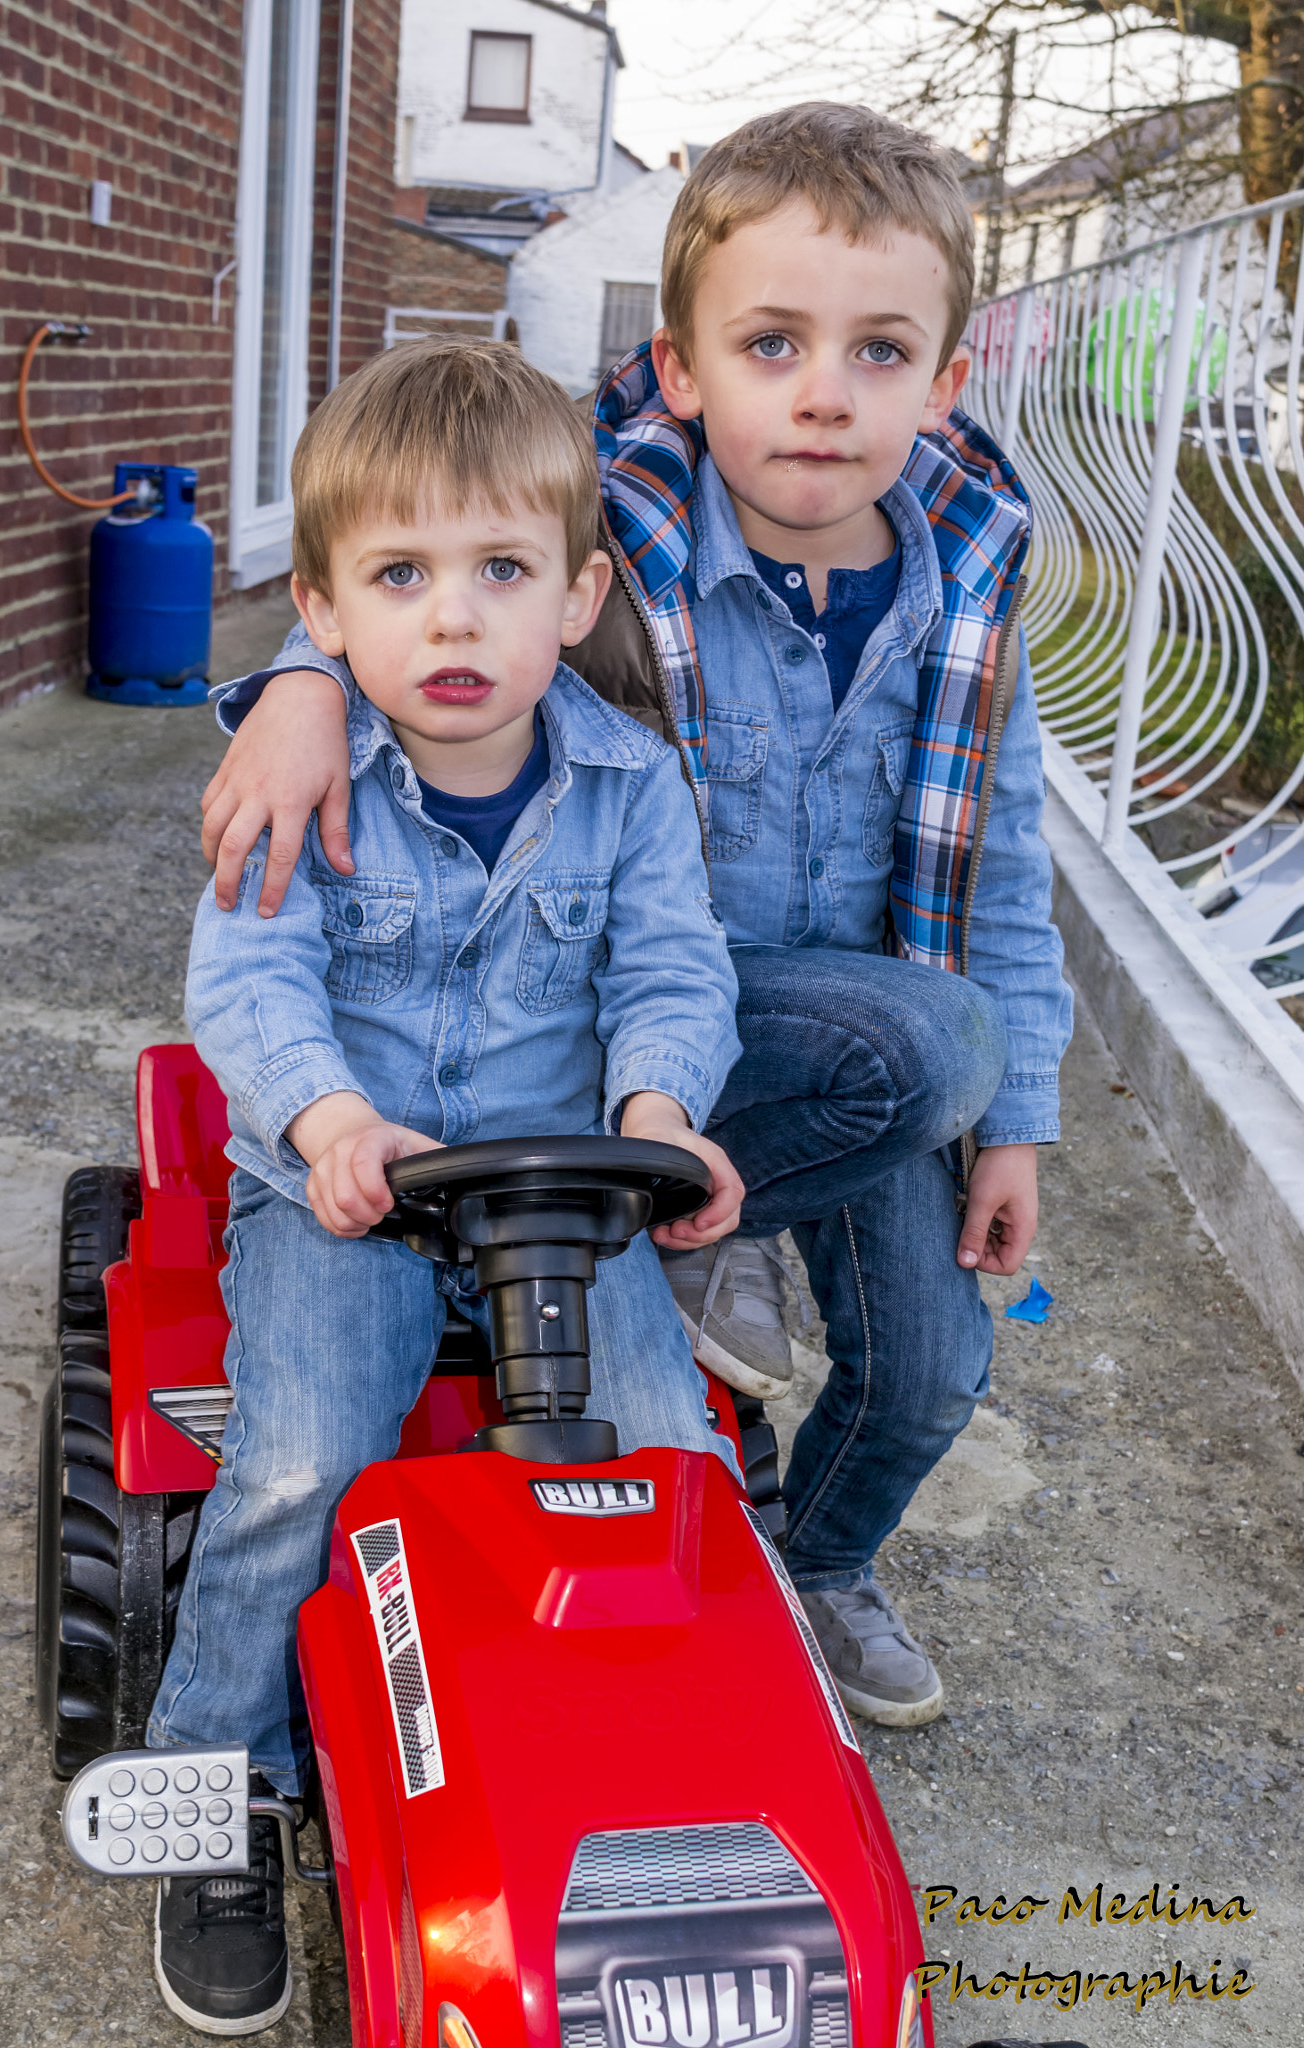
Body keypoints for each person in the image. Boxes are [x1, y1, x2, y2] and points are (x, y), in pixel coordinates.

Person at [197, 104, 1074, 1738]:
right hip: (592, 1014)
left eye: (880, 350)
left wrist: (1013, 1122)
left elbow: (1003, 872)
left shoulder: (971, 589)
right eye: (769, 343)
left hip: (803, 1049)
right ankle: (218, 1769)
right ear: (679, 367)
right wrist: (302, 683)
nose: (821, 392)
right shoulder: (626, 527)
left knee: (938, 1346)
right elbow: (436, 537)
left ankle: (804, 1563)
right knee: (305, 1450)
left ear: (947, 380)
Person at [146, 337, 745, 2035]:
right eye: (401, 577)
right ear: (322, 617)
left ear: (577, 596)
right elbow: (248, 989)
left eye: (500, 571)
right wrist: (332, 1125)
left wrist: (659, 1111)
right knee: (302, 1457)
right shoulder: (305, 776)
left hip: (564, 1195)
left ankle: (651, 1760)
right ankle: (217, 1783)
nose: (456, 619)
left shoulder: (633, 788)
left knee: (671, 1457)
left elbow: (674, 976)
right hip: (343, 1184)